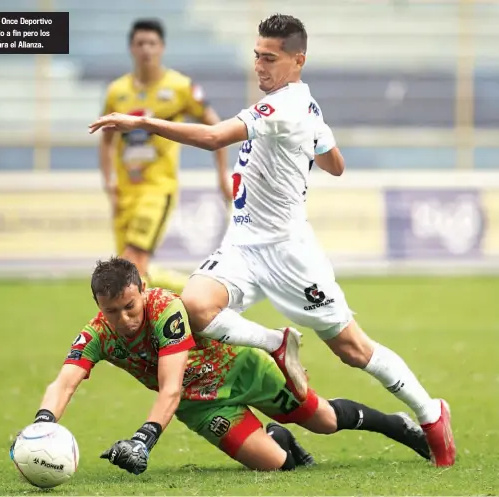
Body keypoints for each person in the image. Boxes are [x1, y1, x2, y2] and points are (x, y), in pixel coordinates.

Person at [87, 15, 455, 467]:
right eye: (256, 56)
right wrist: (312, 141)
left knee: (352, 349)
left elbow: (211, 137)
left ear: (298, 61)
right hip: (242, 246)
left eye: (270, 58)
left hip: (289, 254)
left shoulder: (283, 107)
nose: (259, 66)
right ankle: (275, 343)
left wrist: (137, 121)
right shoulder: (301, 105)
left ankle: (430, 414)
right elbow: (336, 164)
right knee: (197, 307)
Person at [18, 257, 429, 476]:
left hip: (240, 369)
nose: (125, 318)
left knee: (321, 420)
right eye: (112, 311)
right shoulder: (97, 334)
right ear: (98, 308)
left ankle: (395, 424)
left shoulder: (166, 310)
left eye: (130, 306)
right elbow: (65, 382)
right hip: (205, 407)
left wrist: (143, 440)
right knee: (276, 466)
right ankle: (277, 438)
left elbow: (170, 388)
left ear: (141, 291)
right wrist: (42, 422)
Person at [99, 19, 230, 293]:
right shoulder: (117, 92)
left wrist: (222, 177)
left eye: (152, 43)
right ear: (131, 48)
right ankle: (197, 293)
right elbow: (107, 140)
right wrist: (108, 180)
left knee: (127, 265)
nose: (146, 49)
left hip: (158, 189)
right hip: (126, 191)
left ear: (162, 48)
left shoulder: (180, 87)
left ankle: (199, 299)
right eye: (140, 43)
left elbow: (215, 128)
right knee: (137, 272)